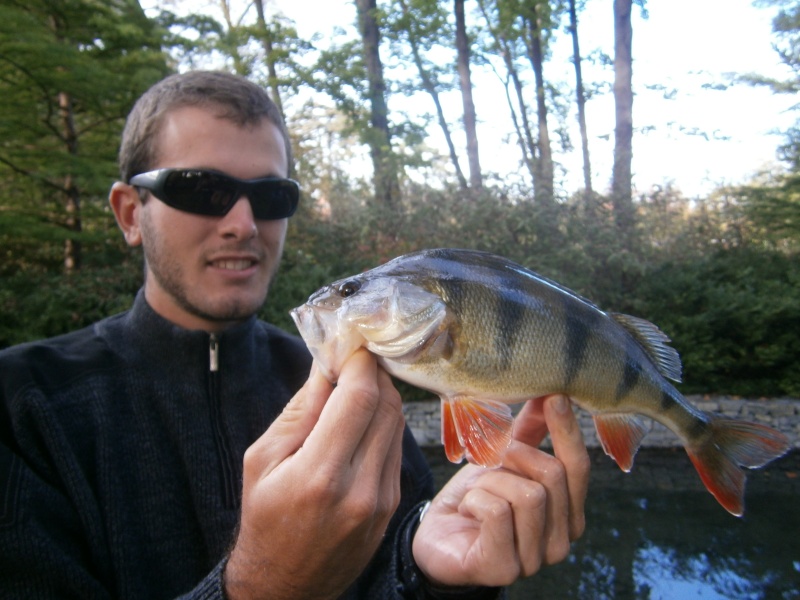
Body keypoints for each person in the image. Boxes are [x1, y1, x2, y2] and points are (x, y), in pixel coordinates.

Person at [0, 71, 590, 599]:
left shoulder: (357, 380)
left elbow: (392, 579)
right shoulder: (22, 404)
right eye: (203, 190)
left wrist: (428, 573)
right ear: (131, 213)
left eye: (271, 196)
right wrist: (263, 589)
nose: (242, 223)